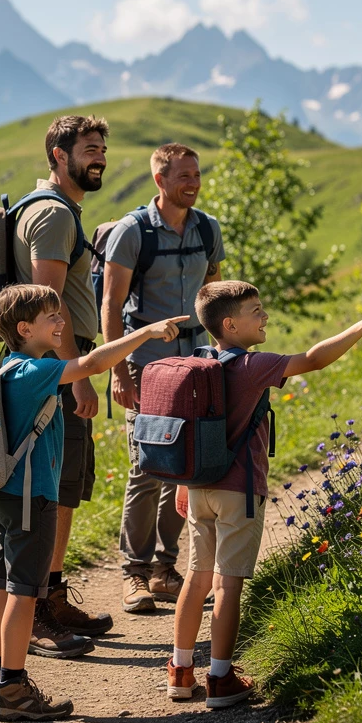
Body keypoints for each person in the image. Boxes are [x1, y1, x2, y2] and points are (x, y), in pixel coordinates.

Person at [168, 281, 362, 708]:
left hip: (199, 488)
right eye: (256, 310)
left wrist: (185, 483)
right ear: (230, 324)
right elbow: (313, 359)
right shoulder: (250, 366)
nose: (265, 317)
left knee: (197, 578)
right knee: (228, 585)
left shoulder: (199, 361)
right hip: (238, 490)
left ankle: (180, 672)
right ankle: (220, 678)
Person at [0, 283, 187, 721]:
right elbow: (91, 363)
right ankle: (13, 689)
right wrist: (143, 335)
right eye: (52, 317)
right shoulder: (33, 372)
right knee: (25, 593)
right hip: (32, 497)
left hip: (10, 495)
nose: (61, 323)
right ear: (24, 327)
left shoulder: (10, 366)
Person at [102, 143, 225, 613]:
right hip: (145, 364)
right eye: (183, 177)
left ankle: (163, 569)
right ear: (160, 180)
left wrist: (222, 355)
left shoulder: (207, 228)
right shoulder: (133, 232)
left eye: (196, 175)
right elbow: (110, 308)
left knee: (186, 467)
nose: (192, 183)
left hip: (195, 363)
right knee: (146, 470)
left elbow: (214, 291)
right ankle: (133, 572)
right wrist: (118, 372)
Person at [12, 115, 112, 656]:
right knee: (49, 493)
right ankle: (34, 614)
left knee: (64, 488)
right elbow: (47, 312)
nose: (98, 157)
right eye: (88, 148)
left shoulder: (53, 210)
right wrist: (78, 380)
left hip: (53, 374)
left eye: (102, 149)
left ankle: (48, 596)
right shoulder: (52, 217)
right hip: (53, 378)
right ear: (57, 153)